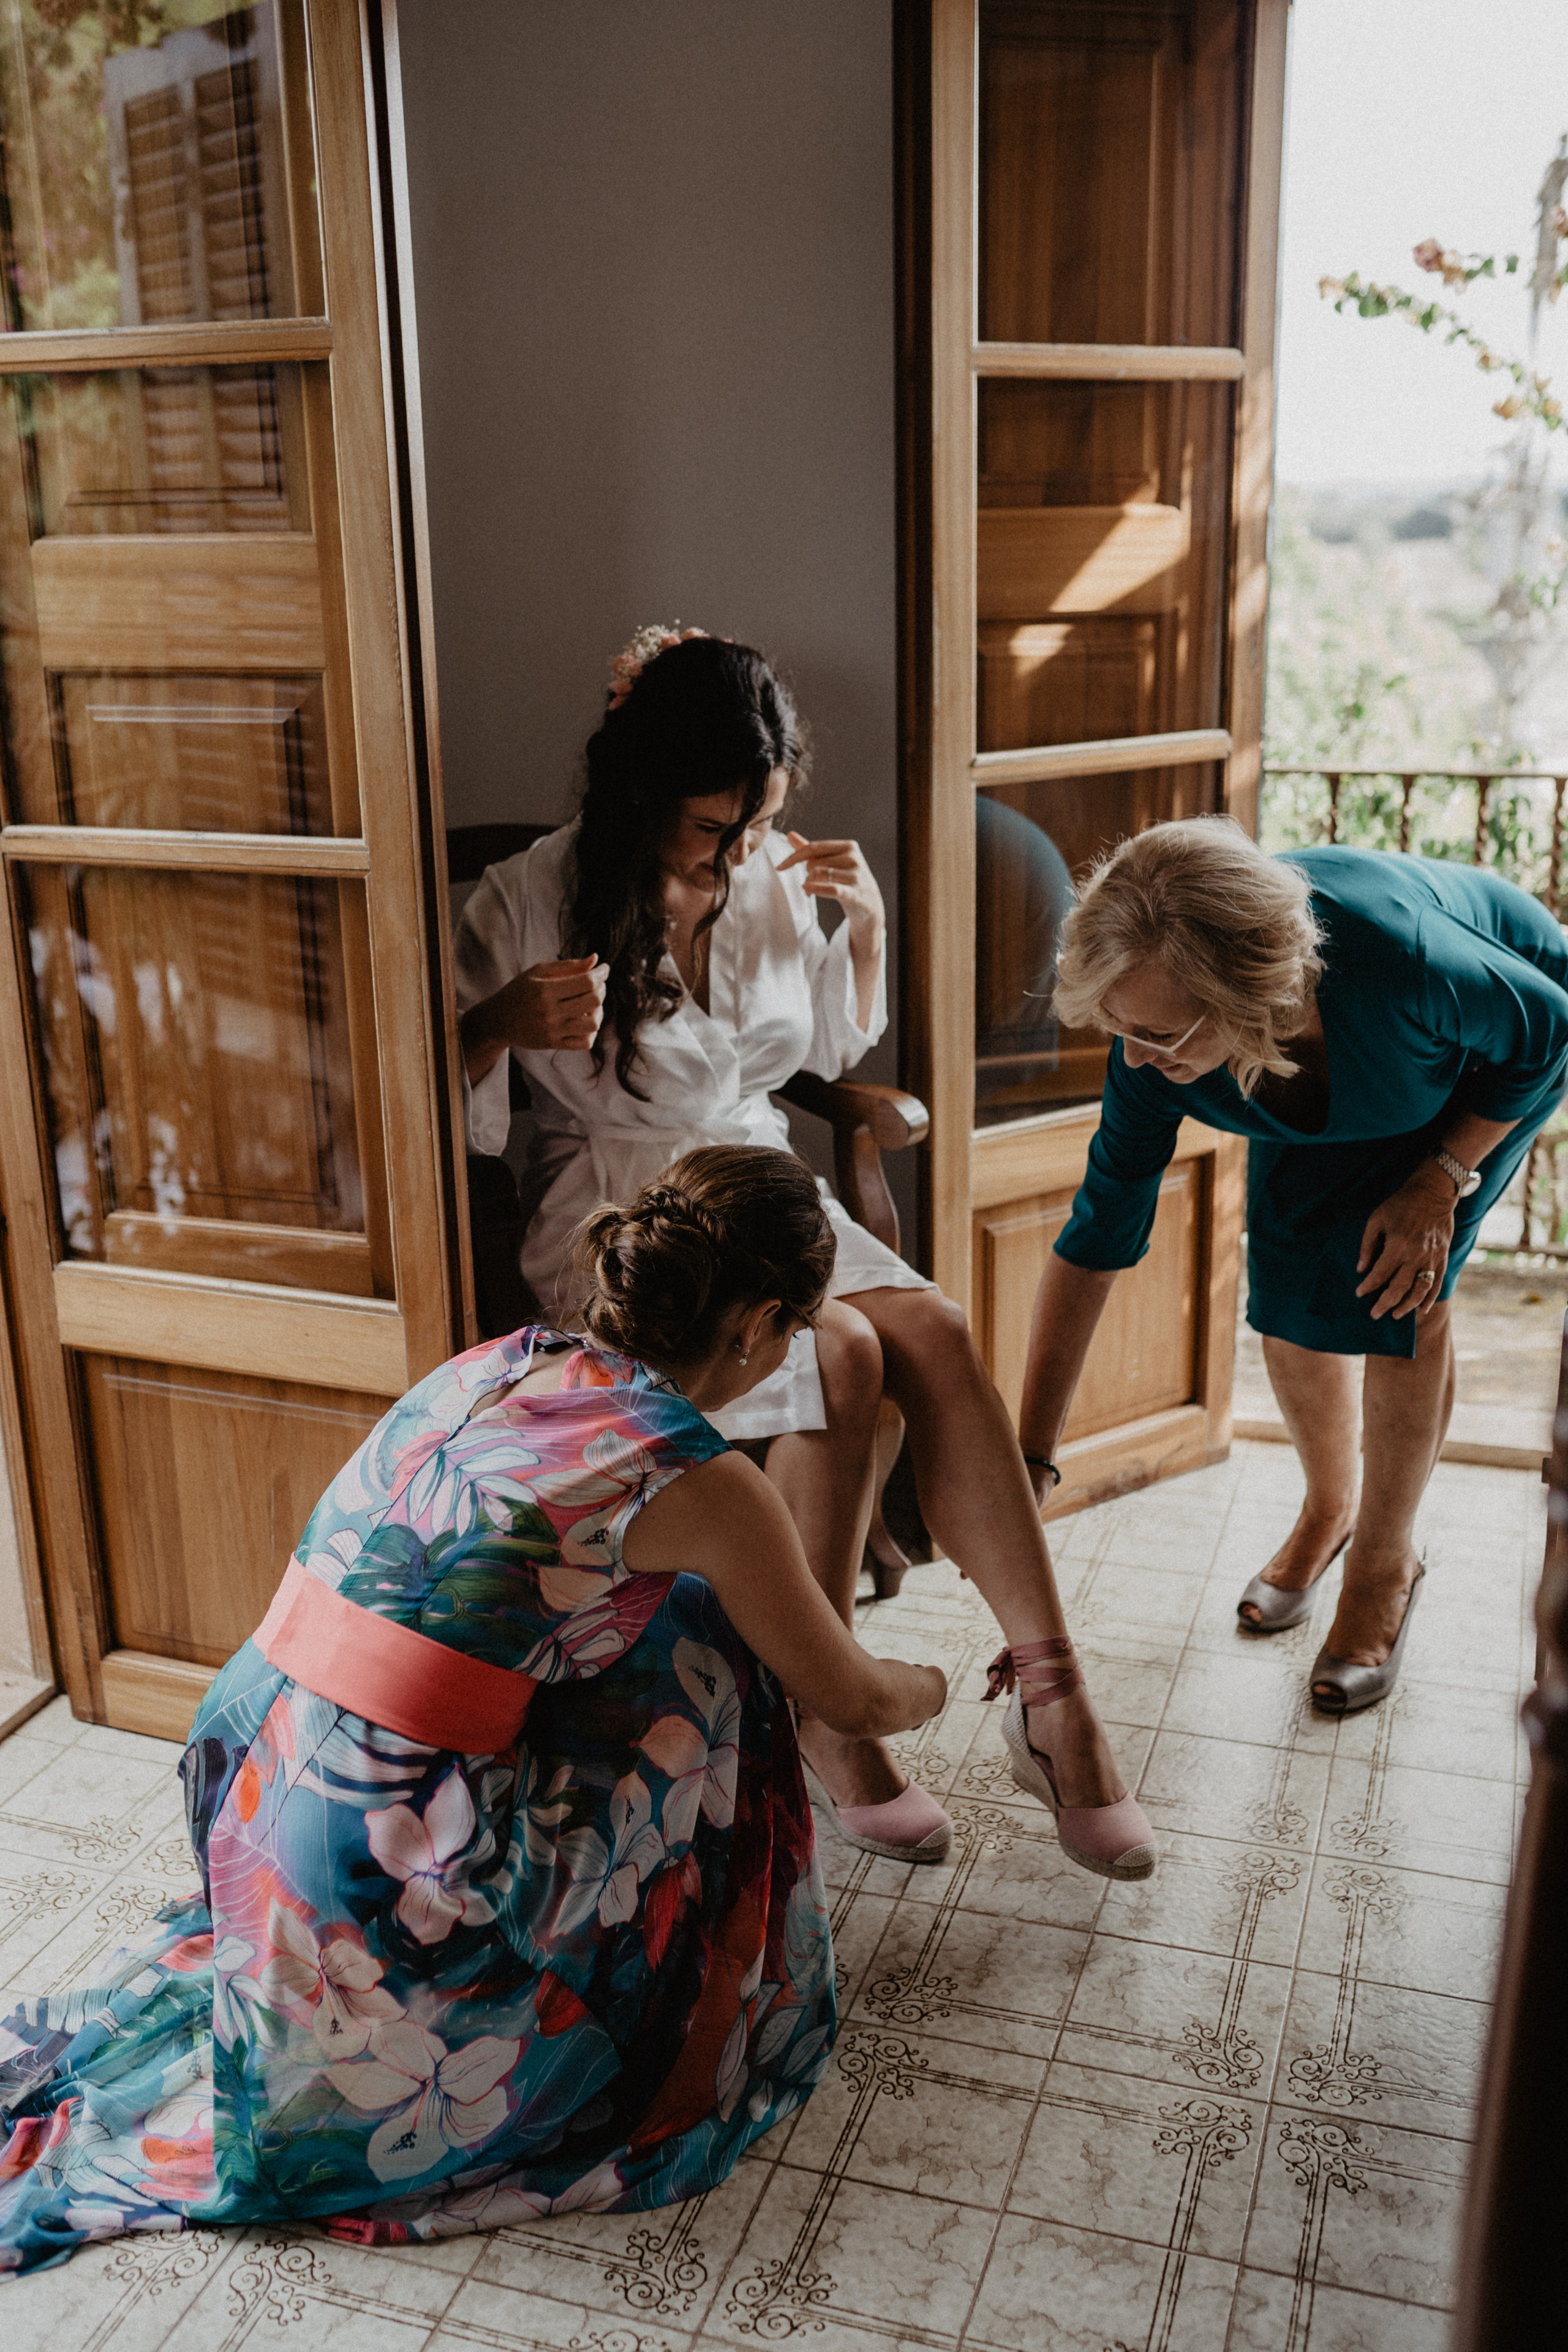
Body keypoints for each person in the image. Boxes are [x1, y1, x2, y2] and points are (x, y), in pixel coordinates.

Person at [0, 1148, 947, 2277]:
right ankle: (673, 2011)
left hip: (254, 1776)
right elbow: (841, 1692)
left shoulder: (508, 1360)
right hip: (380, 1868)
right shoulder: (696, 1476)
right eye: (795, 1330)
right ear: (753, 1321)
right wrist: (929, 1682)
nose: (790, 1356)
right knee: (720, 1656)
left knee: (672, 1617)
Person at [454, 627, 1155, 1875]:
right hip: (623, 1219)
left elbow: (820, 1051)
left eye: (752, 821)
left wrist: (862, 926)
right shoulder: (524, 896)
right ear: (637, 790)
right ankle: (831, 1714)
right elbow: (432, 1115)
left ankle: (1053, 1699)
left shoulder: (774, 873)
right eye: (708, 827)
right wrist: (500, 1022)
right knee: (836, 1353)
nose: (733, 853)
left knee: (928, 1329)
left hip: (758, 1181)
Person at [1017, 817, 1568, 1714]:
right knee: (1286, 1299)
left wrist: (1441, 1178)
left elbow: (1546, 1028)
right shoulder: (1155, 1043)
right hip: (1309, 1072)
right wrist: (1032, 1456)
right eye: (1118, 1025)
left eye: (1154, 1033)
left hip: (1474, 1073)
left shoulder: (1404, 961)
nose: (1133, 1057)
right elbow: (1098, 1233)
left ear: (1247, 997)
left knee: (1397, 1292)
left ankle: (1385, 1569)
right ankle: (1328, 1510)